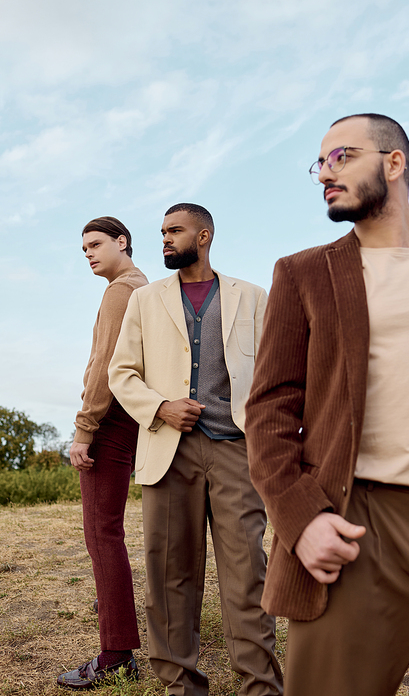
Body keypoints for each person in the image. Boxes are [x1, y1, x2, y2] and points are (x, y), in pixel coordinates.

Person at [245, 114, 409, 696]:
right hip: (356, 523)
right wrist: (299, 518)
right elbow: (268, 409)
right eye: (321, 163)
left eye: (343, 157)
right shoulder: (304, 273)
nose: (324, 175)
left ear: (394, 162)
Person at [108, 203, 283, 696]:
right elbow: (121, 373)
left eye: (174, 230)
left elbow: (273, 376)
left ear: (203, 236)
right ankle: (181, 687)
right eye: (162, 231)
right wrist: (160, 405)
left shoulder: (252, 297)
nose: (165, 238)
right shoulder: (144, 300)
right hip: (169, 452)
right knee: (170, 578)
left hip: (236, 450)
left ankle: (261, 686)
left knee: (248, 573)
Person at [57, 217, 148, 690]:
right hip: (130, 420)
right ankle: (112, 608)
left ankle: (116, 656)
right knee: (109, 532)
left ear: (122, 242)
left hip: (110, 420)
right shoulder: (143, 287)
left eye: (96, 244)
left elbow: (105, 366)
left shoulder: (120, 291)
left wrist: (83, 429)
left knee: (101, 533)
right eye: (84, 248)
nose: (89, 253)